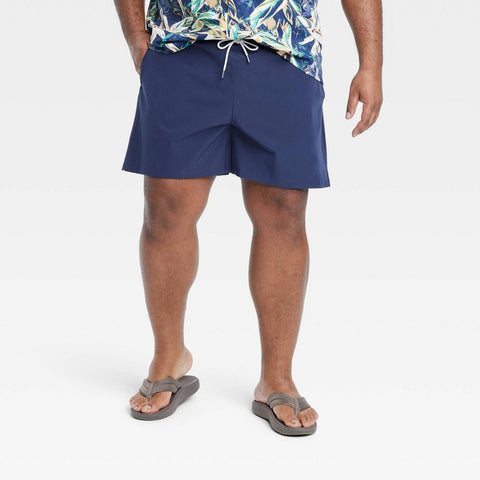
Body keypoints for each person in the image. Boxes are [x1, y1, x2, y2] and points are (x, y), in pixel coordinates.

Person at [114, 0, 383, 436]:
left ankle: (277, 377)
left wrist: (370, 63)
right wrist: (134, 38)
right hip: (183, 45)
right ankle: (169, 356)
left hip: (285, 50)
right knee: (166, 206)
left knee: (284, 211)